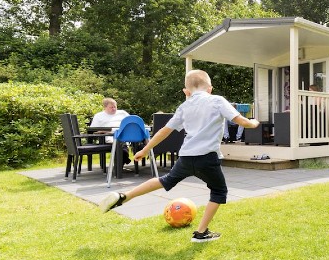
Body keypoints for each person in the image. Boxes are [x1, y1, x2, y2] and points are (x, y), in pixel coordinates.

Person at [99, 69, 259, 242]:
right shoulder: (217, 101)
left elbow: (164, 131)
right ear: (210, 88)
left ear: (186, 92)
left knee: (165, 180)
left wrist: (145, 150)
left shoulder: (184, 106)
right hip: (207, 157)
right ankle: (201, 232)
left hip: (186, 157)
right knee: (219, 191)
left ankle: (126, 196)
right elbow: (242, 122)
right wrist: (254, 122)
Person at [91, 97, 132, 163]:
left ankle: (123, 159)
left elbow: (132, 121)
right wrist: (103, 131)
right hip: (109, 136)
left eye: (115, 107)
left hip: (124, 134)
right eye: (111, 107)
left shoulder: (122, 113)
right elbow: (93, 130)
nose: (114, 109)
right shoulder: (99, 116)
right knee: (119, 144)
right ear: (105, 107)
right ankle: (123, 160)